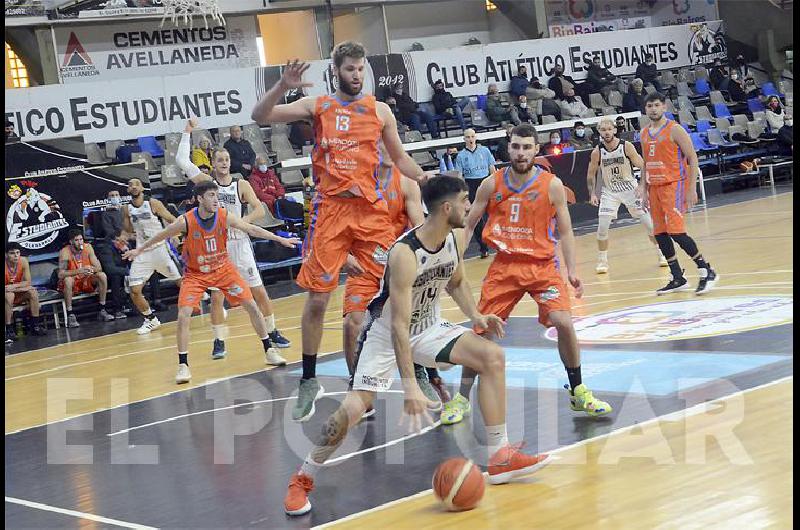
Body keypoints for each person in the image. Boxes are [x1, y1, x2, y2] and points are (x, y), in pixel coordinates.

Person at [283, 175, 550, 516]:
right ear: (447, 207)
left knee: (492, 357)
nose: (470, 206)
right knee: (351, 411)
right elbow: (397, 326)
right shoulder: (404, 254)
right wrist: (410, 385)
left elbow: (456, 282)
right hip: (385, 335)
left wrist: (476, 315)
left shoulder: (453, 238)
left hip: (428, 326)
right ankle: (302, 477)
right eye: (465, 200)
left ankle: (499, 457)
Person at [250, 41, 429, 422]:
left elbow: (399, 158)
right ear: (336, 72)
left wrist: (424, 176)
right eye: (350, 69)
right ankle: (309, 380)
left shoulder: (380, 111)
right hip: (331, 211)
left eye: (361, 69)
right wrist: (283, 85)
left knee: (398, 291)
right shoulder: (318, 106)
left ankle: (421, 370)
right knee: (317, 300)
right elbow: (260, 115)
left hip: (370, 215)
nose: (357, 75)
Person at [440, 124, 612, 427]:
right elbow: (468, 225)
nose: (521, 153)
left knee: (564, 323)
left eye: (527, 147)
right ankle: (462, 398)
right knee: (483, 330)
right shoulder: (491, 184)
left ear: (536, 150)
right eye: (516, 147)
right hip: (505, 265)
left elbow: (567, 230)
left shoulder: (552, 185)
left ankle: (578, 390)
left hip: (542, 266)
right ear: (509, 148)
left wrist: (571, 269)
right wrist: (454, 261)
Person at [122, 180, 301, 383]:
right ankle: (183, 365)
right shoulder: (186, 221)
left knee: (251, 305)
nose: (216, 200)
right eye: (211, 196)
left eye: (217, 195)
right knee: (184, 314)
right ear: (199, 198)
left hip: (223, 269)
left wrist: (280, 239)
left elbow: (251, 229)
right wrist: (138, 250)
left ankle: (269, 350)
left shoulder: (224, 215)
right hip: (195, 274)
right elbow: (160, 235)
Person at [342, 141, 447, 413]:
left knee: (413, 321)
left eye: (393, 146)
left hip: (397, 263)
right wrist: (343, 255)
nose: (390, 151)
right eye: (382, 146)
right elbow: (334, 226)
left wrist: (426, 257)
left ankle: (423, 373)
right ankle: (359, 384)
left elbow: (419, 226)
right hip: (364, 264)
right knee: (353, 323)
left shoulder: (405, 182)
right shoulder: (351, 182)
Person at [180, 119, 293, 361]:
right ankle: (219, 341)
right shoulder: (206, 184)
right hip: (217, 247)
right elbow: (182, 162)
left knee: (258, 291)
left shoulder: (240, 183)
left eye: (226, 160)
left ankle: (272, 332)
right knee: (217, 297)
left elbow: (259, 209)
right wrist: (187, 133)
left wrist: (241, 223)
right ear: (213, 163)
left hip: (239, 243)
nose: (223, 163)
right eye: (219, 160)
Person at [639, 92, 719, 295]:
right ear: (645, 109)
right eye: (650, 106)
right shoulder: (644, 133)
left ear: (664, 107)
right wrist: (644, 189)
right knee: (659, 233)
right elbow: (646, 164)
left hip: (674, 185)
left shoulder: (675, 130)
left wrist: (691, 188)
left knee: (676, 232)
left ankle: (706, 270)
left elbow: (692, 158)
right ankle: (677, 277)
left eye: (657, 105)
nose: (653, 109)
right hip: (654, 187)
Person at [586, 119, 667, 273]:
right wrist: (592, 193)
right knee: (602, 227)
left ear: (614, 130)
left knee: (649, 225)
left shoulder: (626, 146)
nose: (607, 132)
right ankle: (602, 261)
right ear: (599, 132)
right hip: (610, 192)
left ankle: (661, 253)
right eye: (603, 130)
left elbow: (643, 166)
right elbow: (591, 175)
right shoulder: (597, 152)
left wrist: (642, 187)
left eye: (609, 129)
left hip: (630, 189)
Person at [121, 178, 183, 335]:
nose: (134, 186)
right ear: (128, 190)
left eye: (137, 184)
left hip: (160, 248)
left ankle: (210, 301)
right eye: (130, 185)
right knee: (134, 290)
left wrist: (177, 234)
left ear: (142, 187)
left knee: (182, 283)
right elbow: (127, 231)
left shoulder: (153, 203)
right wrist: (122, 239)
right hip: (142, 253)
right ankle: (151, 319)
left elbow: (171, 219)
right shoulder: (126, 209)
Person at [454, 129, 497, 258]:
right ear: (464, 139)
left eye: (472, 136)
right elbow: (460, 176)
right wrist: (464, 194)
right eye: (468, 137)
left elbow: (492, 168)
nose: (470, 139)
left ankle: (499, 242)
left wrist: (496, 185)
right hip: (471, 185)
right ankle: (483, 247)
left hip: (485, 182)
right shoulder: (461, 155)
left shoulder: (485, 151)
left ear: (476, 137)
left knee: (494, 213)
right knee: (476, 217)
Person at [58, 229, 114, 327]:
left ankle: (102, 309)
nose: (80, 242)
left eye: (81, 239)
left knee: (102, 275)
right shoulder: (65, 252)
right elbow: (61, 274)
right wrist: (79, 271)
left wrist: (91, 270)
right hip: (73, 281)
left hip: (86, 279)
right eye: (76, 240)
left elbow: (99, 267)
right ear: (71, 242)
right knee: (67, 280)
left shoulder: (88, 248)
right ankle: (70, 314)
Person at [92, 189, 130, 320]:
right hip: (114, 246)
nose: (114, 197)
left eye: (116, 195)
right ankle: (118, 309)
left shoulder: (125, 210)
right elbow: (109, 231)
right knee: (115, 277)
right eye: (112, 195)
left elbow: (131, 227)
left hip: (129, 244)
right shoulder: (106, 214)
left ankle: (142, 304)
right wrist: (121, 238)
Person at [5, 242, 46, 343]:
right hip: (6, 295)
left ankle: (35, 326)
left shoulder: (23, 261)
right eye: (12, 253)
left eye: (18, 252)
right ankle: (9, 329)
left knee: (33, 292)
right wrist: (15, 288)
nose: (16, 256)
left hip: (15, 291)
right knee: (9, 295)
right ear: (6, 254)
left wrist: (14, 286)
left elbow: (28, 282)